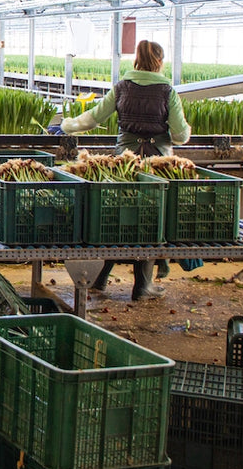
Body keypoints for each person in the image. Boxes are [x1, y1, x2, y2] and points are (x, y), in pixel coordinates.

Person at [58, 40, 192, 300]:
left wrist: (66, 126)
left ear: (136, 61)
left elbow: (93, 118)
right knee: (150, 221)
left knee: (118, 218)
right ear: (160, 62)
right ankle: (143, 286)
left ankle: (100, 278)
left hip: (124, 164)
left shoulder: (121, 88)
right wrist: (183, 133)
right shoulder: (167, 92)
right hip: (157, 167)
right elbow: (179, 134)